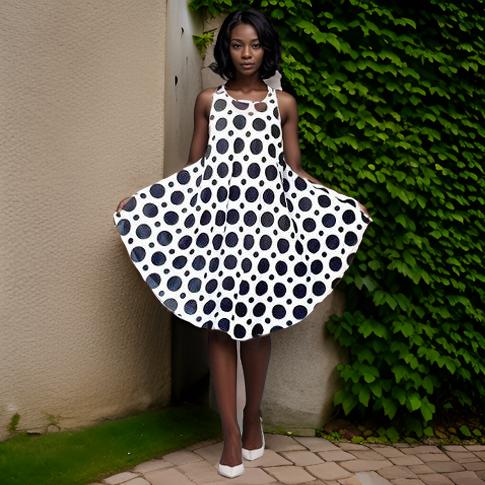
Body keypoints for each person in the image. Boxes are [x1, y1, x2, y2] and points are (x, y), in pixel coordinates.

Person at [114, 7, 372, 479]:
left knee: (256, 329)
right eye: (237, 44)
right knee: (217, 327)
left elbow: (293, 174)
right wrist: (148, 201)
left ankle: (254, 416)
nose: (246, 53)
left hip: (267, 231)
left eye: (255, 44)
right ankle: (230, 434)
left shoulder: (283, 105)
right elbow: (192, 172)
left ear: (267, 48)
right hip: (217, 229)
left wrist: (343, 203)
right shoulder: (208, 102)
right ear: (225, 49)